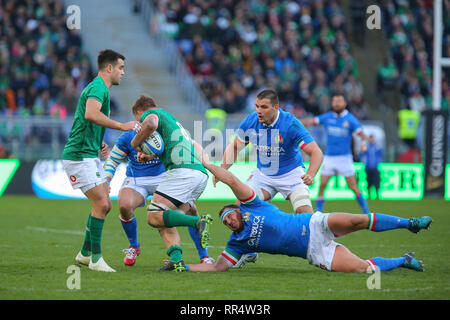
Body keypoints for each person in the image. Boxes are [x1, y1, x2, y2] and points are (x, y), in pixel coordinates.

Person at [167, 152, 432, 273]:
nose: (229, 221)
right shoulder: (237, 242)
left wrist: (207, 163)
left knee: (358, 220)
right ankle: (403, 260)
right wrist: (183, 266)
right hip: (314, 252)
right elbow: (217, 267)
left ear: (237, 209)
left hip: (315, 224)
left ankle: (410, 223)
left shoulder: (251, 204)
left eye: (230, 215)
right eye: (226, 222)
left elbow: (232, 180)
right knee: (363, 269)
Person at [214, 88, 323, 267]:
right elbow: (234, 147)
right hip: (263, 175)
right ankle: (248, 251)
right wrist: (222, 169)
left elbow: (316, 152)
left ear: (276, 107)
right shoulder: (251, 120)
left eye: (263, 107)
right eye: (257, 106)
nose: (258, 110)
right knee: (241, 207)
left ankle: (321, 252)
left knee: (307, 219)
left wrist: (311, 174)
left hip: (292, 175)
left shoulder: (290, 123)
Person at [61, 49, 138, 272]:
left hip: (88, 154)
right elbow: (91, 114)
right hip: (78, 157)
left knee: (105, 205)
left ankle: (85, 254)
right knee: (102, 204)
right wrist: (123, 126)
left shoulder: (100, 88)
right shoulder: (97, 88)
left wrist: (98, 142)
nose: (123, 72)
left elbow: (90, 122)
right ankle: (96, 259)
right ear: (109, 68)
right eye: (121, 68)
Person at [104, 127, 215, 266]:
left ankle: (203, 256)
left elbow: (192, 144)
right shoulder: (128, 136)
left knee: (185, 211)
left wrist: (206, 163)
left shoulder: (165, 131)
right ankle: (134, 246)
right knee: (124, 206)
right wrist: (106, 180)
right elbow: (113, 159)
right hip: (137, 179)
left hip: (164, 177)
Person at [130, 94, 213, 271]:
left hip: (182, 173)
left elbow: (150, 125)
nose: (139, 124)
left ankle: (198, 223)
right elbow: (166, 147)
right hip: (198, 174)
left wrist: (135, 142)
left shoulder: (150, 116)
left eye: (137, 119)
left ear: (139, 112)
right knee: (163, 219)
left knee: (153, 216)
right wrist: (149, 155)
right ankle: (176, 260)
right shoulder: (172, 121)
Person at [301, 93, 370, 214]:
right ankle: (318, 211)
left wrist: (364, 144)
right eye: (334, 101)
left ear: (344, 104)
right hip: (329, 157)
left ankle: (366, 211)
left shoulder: (350, 119)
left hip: (345, 158)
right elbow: (312, 121)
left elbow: (362, 134)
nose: (337, 104)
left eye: (339, 101)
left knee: (353, 187)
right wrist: (295, 122)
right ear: (332, 103)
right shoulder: (327, 117)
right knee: (322, 184)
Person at [359, 134, 383, 199]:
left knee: (376, 181)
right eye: (370, 138)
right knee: (368, 181)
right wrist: (362, 151)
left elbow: (381, 155)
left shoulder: (377, 147)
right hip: (368, 167)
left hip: (375, 168)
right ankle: (369, 195)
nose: (371, 140)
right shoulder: (366, 147)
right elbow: (360, 156)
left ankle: (377, 195)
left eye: (372, 138)